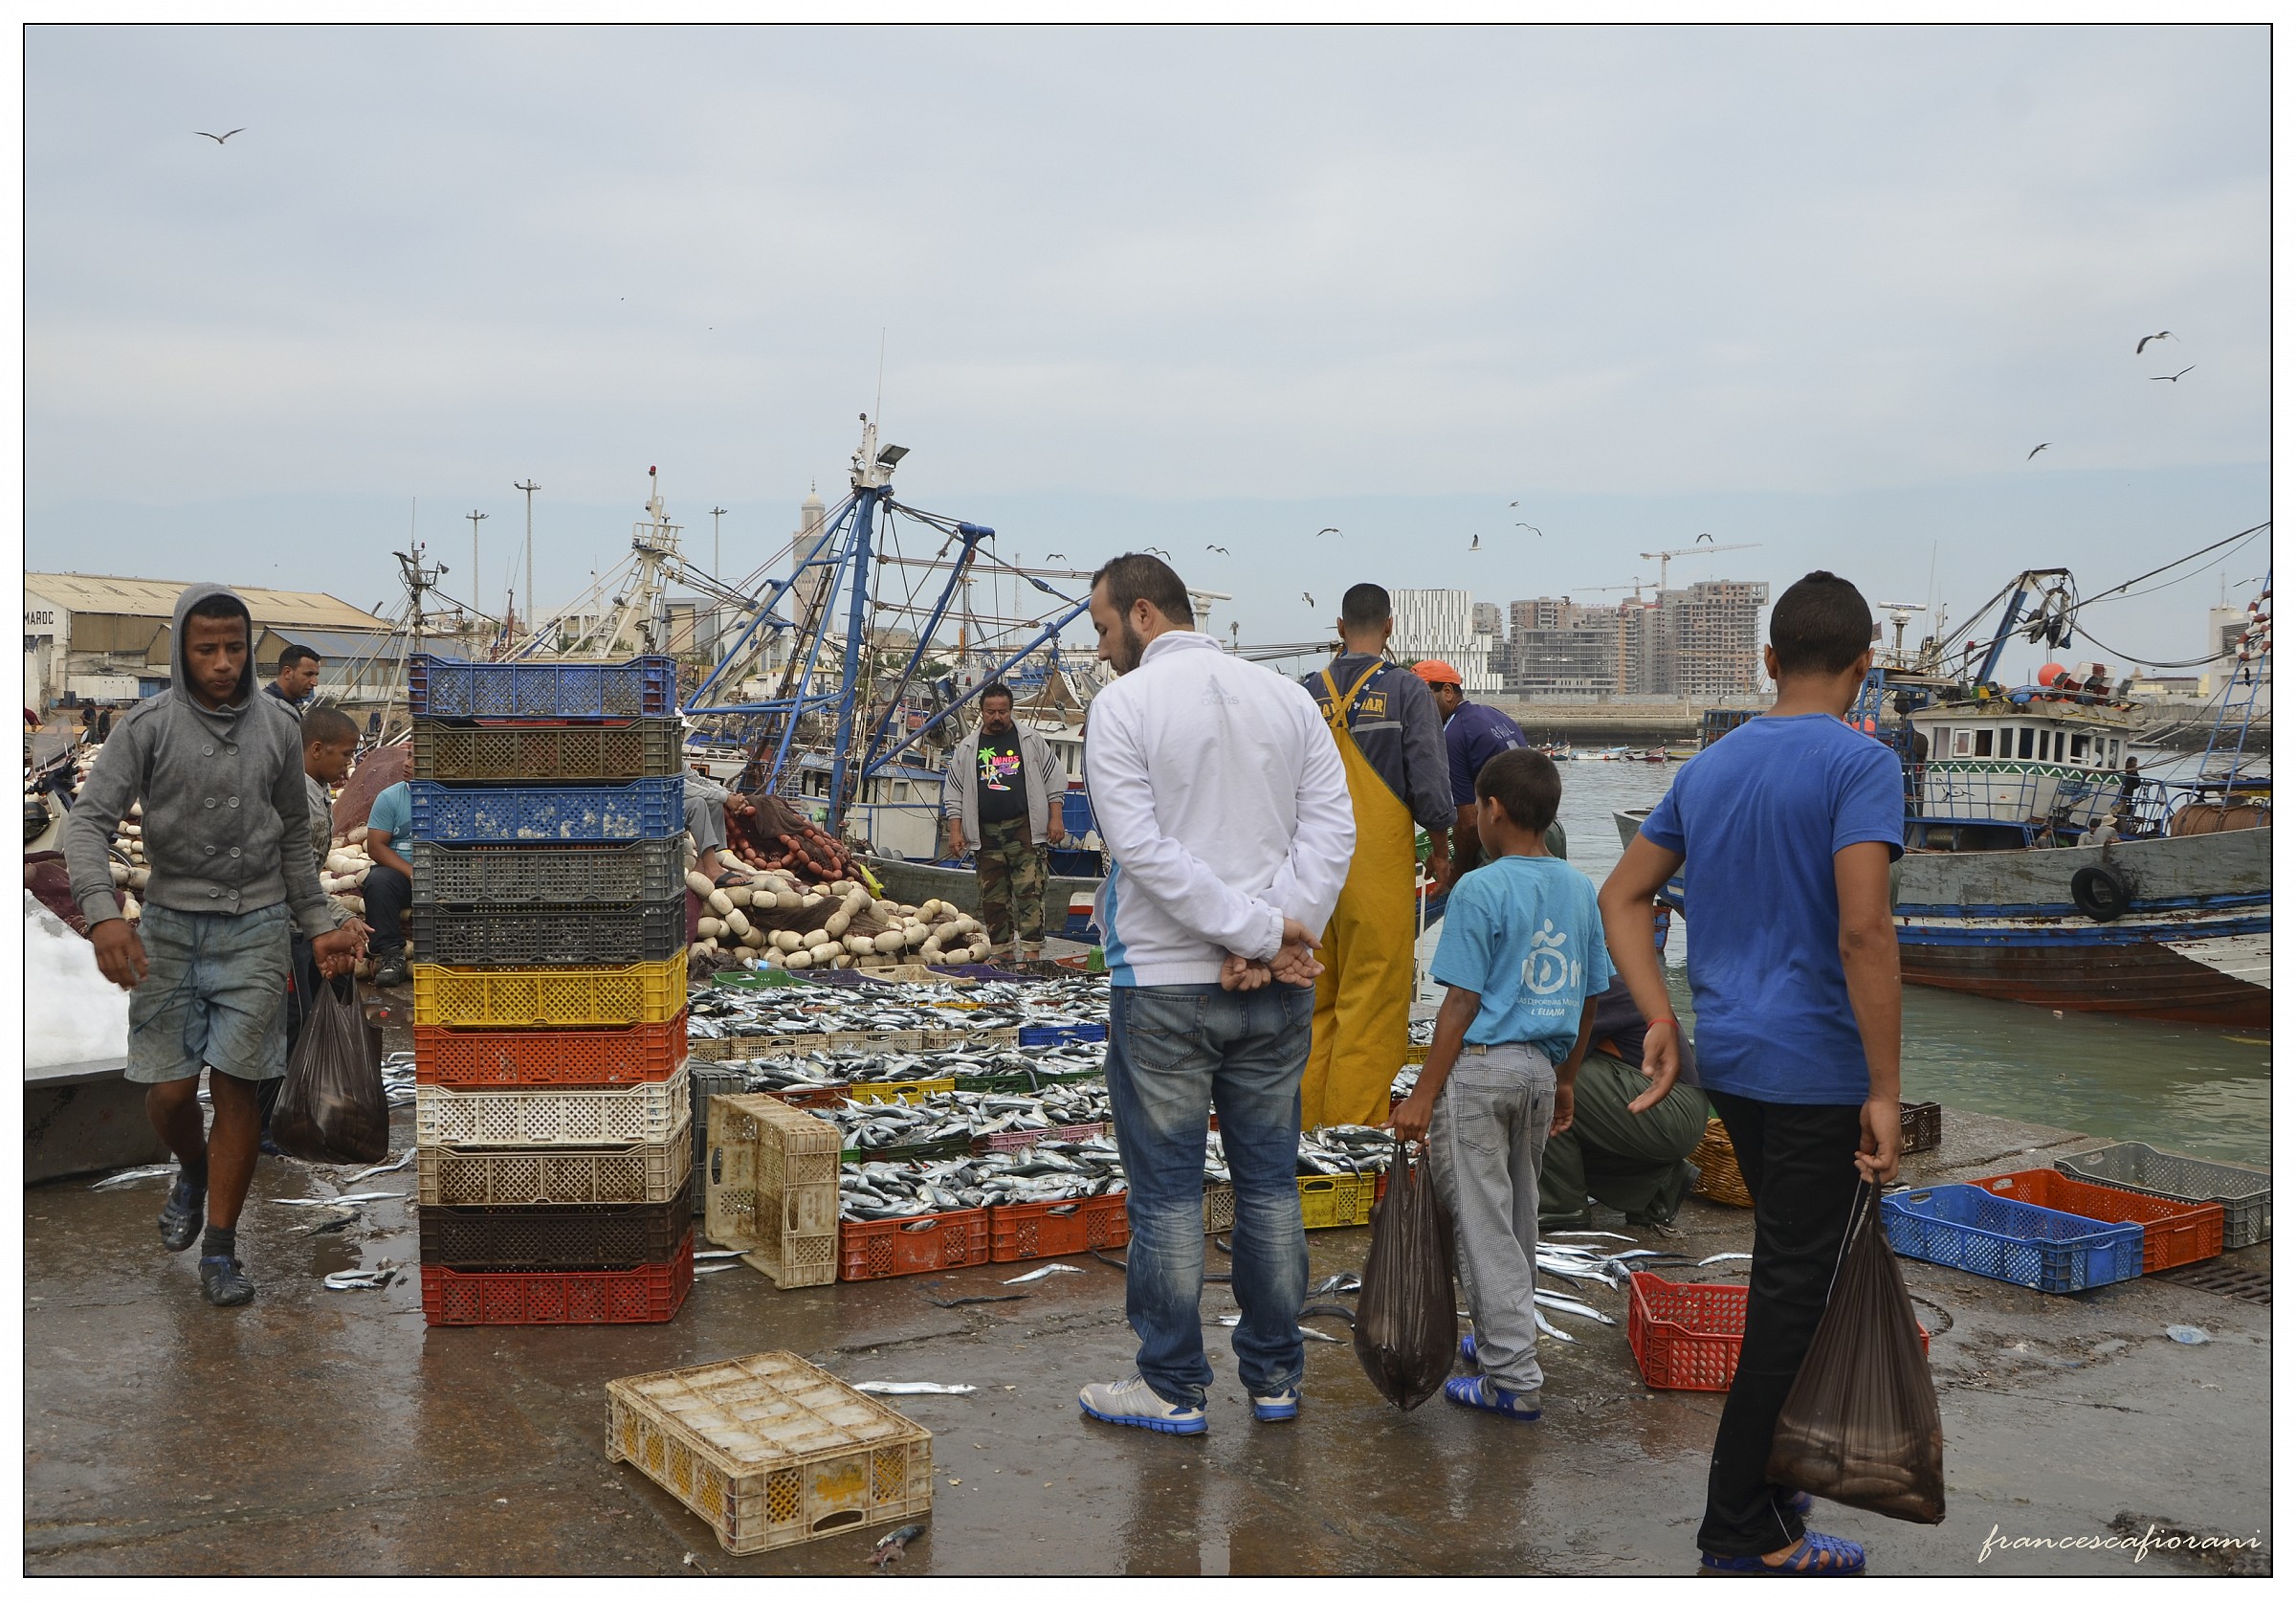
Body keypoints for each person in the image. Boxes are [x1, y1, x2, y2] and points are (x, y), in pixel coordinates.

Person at [1600, 569, 1904, 1576]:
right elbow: (1864, 926)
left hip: (1732, 1060)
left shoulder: (1710, 766)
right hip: (1817, 1068)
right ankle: (1745, 1527)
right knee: (1791, 1293)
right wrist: (1887, 1087)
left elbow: (1622, 895)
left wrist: (1660, 1017)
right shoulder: (1861, 764)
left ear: (1768, 662)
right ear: (1863, 668)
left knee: (1793, 1281)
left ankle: (1773, 1501)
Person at [1077, 552, 1354, 1434]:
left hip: (1164, 988)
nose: (1102, 648)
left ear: (1144, 614)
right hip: (1274, 989)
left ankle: (1169, 1386)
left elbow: (1142, 850)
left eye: (1104, 628)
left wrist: (1258, 935)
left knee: (1166, 1195)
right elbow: (1331, 828)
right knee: (1270, 1186)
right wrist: (1279, 930)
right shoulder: (1287, 699)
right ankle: (1275, 1379)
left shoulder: (1122, 707)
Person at [62, 585, 364, 1307]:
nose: (224, 663)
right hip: (168, 927)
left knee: (237, 1089)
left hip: (257, 928)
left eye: (235, 647)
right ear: (181, 650)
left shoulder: (279, 728)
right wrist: (105, 916)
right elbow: (86, 824)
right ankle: (191, 1170)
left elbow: (295, 835)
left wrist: (319, 919)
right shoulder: (148, 726)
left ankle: (221, 1250)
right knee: (168, 1096)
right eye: (207, 649)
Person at [1388, 748, 1612, 1421]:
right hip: (1542, 1070)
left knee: (1482, 1224)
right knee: (1516, 1216)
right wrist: (1567, 1077)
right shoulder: (1577, 886)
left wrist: (1423, 1093)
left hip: (1484, 1068)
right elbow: (1591, 995)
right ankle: (1500, 1339)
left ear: (1494, 811)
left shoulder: (1478, 887)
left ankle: (1511, 1376)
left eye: (1476, 808)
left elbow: (1459, 1002)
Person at [1297, 584, 1454, 1129]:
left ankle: (1302, 1135)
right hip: (1374, 869)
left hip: (1308, 874)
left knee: (1314, 1004)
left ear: (1339, 628)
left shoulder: (1304, 691)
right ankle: (1348, 1137)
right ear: (1389, 627)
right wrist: (1439, 848)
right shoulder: (1407, 690)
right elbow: (1432, 782)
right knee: (1369, 1005)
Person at [1538, 966, 1711, 1228]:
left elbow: (1553, 1051)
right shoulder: (1592, 973)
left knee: (1540, 1077)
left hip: (1671, 1106)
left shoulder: (1600, 984)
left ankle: (1560, 1204)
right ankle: (1653, 1186)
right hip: (1665, 1104)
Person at [941, 681, 1067, 960]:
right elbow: (954, 793)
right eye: (991, 712)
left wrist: (1055, 819)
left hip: (1023, 828)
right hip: (984, 833)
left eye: (1002, 711)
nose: (997, 717)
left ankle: (1032, 953)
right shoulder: (968, 748)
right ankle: (1002, 952)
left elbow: (1054, 781)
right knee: (992, 895)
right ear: (982, 712)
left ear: (1011, 711)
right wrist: (955, 832)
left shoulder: (1031, 741)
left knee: (1029, 892)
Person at [1415, 658, 1564, 882]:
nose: (1415, 708)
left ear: (1447, 691)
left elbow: (1468, 823)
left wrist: (1460, 875)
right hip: (1548, 832)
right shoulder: (1495, 716)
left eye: (1420, 699)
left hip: (1508, 841)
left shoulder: (1453, 735)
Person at [362, 778, 415, 987]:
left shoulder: (454, 796)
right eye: (409, 755)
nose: (408, 763)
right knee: (378, 882)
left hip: (446, 874)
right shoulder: (390, 797)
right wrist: (411, 872)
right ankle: (391, 954)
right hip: (402, 875)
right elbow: (376, 847)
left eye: (416, 756)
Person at [264, 644, 322, 717]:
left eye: (316, 675)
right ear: (287, 673)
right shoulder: (264, 709)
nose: (315, 683)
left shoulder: (291, 706)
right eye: (308, 674)